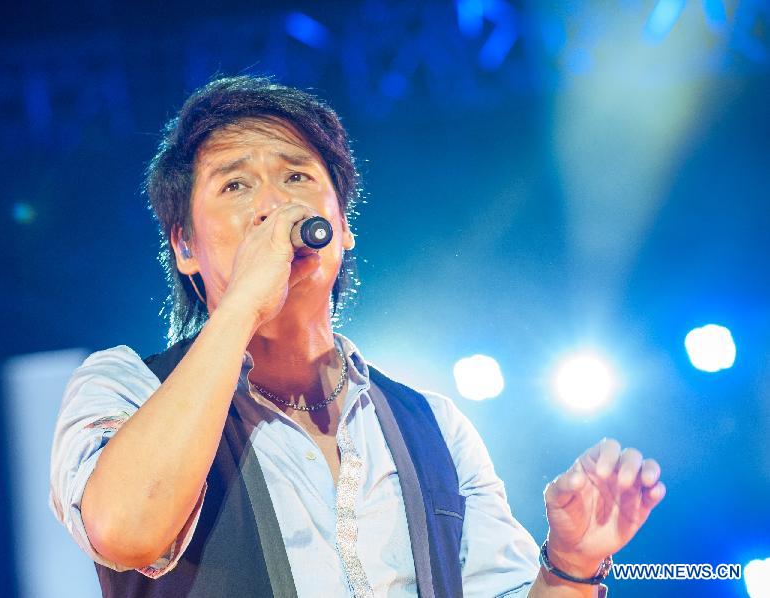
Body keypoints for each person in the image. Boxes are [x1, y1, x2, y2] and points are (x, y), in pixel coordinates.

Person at [49, 75, 666, 598]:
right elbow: (124, 529)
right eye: (235, 185)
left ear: (341, 229)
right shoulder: (125, 386)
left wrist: (569, 567)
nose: (272, 206)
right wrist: (244, 304)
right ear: (184, 245)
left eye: (296, 178)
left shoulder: (435, 426)